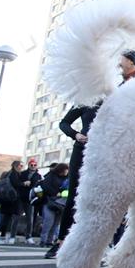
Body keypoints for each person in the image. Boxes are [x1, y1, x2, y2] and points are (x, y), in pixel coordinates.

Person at [44, 103, 99, 259]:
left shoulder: (117, 95)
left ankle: (94, 245)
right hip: (82, 149)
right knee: (74, 195)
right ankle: (61, 241)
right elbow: (64, 123)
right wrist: (75, 135)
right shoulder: (86, 99)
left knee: (100, 198)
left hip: (106, 151)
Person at [38, 163, 69, 246]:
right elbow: (45, 187)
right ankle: (43, 240)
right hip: (50, 202)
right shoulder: (51, 176)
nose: (67, 171)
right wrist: (56, 193)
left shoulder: (67, 178)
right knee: (48, 221)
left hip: (61, 203)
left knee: (55, 223)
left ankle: (49, 241)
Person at [18, 158, 43, 244]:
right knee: (16, 216)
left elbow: (39, 187)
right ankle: (12, 235)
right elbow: (17, 183)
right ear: (28, 165)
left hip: (31, 199)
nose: (33, 166)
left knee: (30, 219)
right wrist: (23, 183)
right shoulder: (22, 174)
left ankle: (28, 236)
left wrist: (39, 197)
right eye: (31, 165)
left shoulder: (39, 176)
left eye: (34, 165)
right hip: (21, 197)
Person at [0, 170, 19, 244]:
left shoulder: (0, 183)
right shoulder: (11, 183)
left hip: (2, 202)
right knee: (4, 221)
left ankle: (0, 236)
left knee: (4, 220)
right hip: (10, 203)